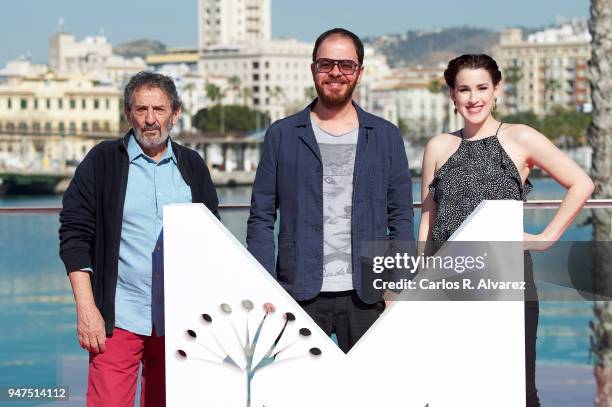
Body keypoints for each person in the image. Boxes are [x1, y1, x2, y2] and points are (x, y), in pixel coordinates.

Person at [419, 54, 594, 406]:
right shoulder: (438, 146)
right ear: (452, 95)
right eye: (464, 89)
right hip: (448, 287)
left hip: (508, 285)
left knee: (516, 391)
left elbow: (581, 183)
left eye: (482, 87)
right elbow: (428, 219)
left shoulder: (520, 137)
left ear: (497, 89)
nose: (473, 98)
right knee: (453, 392)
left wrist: (544, 239)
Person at [246, 28, 414, 353]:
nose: (335, 72)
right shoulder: (281, 135)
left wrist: (398, 286)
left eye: (346, 65)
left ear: (360, 73)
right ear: (313, 70)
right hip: (298, 293)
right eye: (326, 64)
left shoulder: (385, 136)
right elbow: (261, 218)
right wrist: (264, 286)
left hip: (369, 295)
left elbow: (401, 216)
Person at [59, 71, 219, 406]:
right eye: (141, 110)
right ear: (128, 114)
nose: (150, 120)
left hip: (179, 322)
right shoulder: (102, 161)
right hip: (118, 319)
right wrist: (86, 309)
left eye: (159, 110)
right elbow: (74, 236)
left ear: (175, 114)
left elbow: (212, 241)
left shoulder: (192, 166)